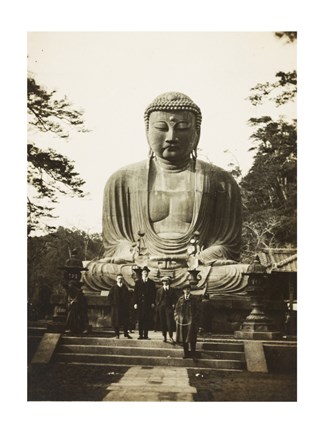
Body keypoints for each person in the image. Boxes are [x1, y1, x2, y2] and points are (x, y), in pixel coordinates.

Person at [83, 92, 248, 293]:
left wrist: (196, 259)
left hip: (195, 270)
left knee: (242, 274)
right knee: (91, 272)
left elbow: (226, 245)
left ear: (197, 132)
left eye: (183, 128)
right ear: (147, 131)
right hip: (140, 268)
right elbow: (116, 244)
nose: (171, 137)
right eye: (161, 128)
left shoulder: (220, 180)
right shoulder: (122, 179)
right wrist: (138, 256)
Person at [174, 285, 200, 360]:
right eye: (185, 289)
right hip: (183, 321)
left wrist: (195, 319)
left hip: (191, 321)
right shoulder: (180, 299)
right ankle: (186, 353)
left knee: (192, 338)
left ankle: (193, 354)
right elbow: (176, 309)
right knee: (184, 337)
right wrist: (176, 317)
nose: (186, 291)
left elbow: (198, 310)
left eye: (188, 289)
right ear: (183, 291)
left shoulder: (194, 299)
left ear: (190, 290)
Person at [133, 267, 156, 339]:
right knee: (140, 319)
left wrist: (152, 302)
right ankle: (140, 335)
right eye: (143, 272)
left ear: (148, 273)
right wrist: (135, 303)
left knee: (146, 319)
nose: (145, 274)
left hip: (147, 304)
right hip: (140, 304)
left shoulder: (151, 283)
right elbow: (135, 294)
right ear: (142, 273)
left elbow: (153, 294)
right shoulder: (138, 282)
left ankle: (146, 335)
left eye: (146, 272)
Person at [108, 274, 132, 339]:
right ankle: (117, 334)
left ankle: (126, 334)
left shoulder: (125, 287)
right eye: (119, 278)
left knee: (125, 321)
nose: (120, 280)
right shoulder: (113, 288)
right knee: (116, 321)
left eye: (121, 278)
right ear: (116, 279)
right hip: (116, 308)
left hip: (124, 307)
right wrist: (113, 304)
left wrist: (127, 304)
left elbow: (128, 297)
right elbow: (110, 297)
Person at [155, 277, 176, 343]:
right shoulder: (159, 290)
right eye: (164, 281)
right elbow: (157, 299)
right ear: (162, 282)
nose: (165, 282)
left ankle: (171, 337)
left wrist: (173, 304)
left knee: (169, 322)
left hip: (169, 307)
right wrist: (158, 304)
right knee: (163, 322)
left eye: (166, 281)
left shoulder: (172, 290)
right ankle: (164, 337)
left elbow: (175, 298)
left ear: (169, 282)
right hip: (161, 308)